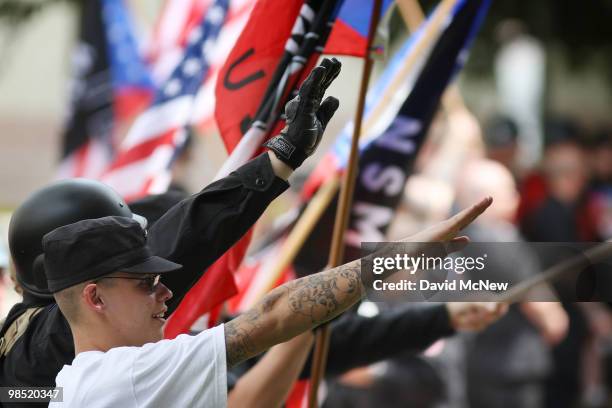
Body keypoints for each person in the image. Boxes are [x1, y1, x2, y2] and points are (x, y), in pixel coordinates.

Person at [0, 58, 341, 391]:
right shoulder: (42, 349)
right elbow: (183, 241)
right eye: (142, 279)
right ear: (89, 292)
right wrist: (278, 161)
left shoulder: (49, 343)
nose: (161, 287)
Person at [46, 195, 494, 407]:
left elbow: (328, 340)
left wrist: (443, 315)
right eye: (144, 283)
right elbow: (272, 319)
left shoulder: (65, 384)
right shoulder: (129, 377)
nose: (166, 292)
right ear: (94, 298)